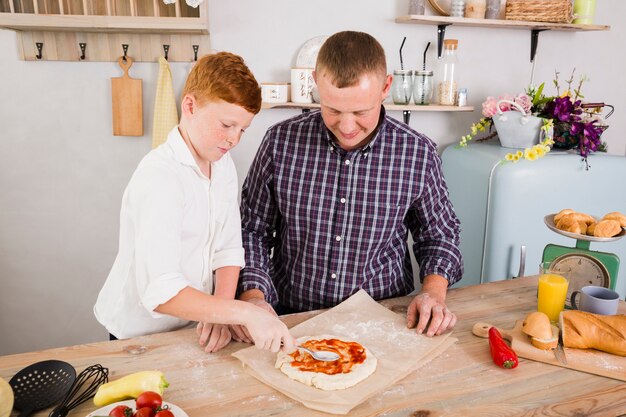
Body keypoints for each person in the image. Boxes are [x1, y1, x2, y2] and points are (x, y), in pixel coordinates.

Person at [238, 31, 463, 337]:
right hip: (291, 318)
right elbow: (252, 229)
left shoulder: (417, 153)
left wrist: (433, 293)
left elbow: (439, 234)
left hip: (385, 320)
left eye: (360, 112)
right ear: (316, 83)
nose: (346, 127)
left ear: (386, 87)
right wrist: (253, 297)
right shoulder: (280, 142)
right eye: (332, 110)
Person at [94, 52, 295, 354]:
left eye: (242, 129)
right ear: (190, 106)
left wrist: (221, 310)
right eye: (227, 124)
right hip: (138, 336)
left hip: (194, 325)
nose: (234, 139)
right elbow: (160, 292)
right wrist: (242, 312)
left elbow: (228, 248)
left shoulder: (222, 164)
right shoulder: (160, 177)